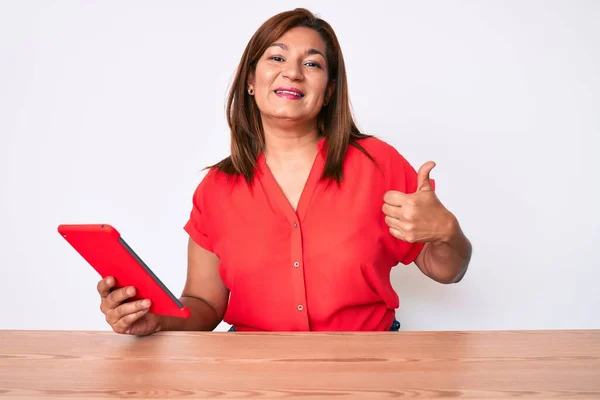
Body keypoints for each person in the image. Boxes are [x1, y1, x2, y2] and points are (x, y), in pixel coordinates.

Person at [97, 8, 472, 335]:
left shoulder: (378, 163)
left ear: (328, 92)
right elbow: (204, 304)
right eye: (276, 58)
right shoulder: (215, 188)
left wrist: (446, 233)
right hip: (252, 374)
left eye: (312, 63)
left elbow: (447, 270)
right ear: (249, 80)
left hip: (366, 368)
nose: (292, 72)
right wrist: (157, 319)